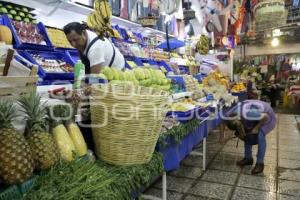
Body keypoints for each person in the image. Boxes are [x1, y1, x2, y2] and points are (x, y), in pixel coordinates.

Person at [226, 100, 276, 174]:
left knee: (260, 136)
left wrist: (256, 128)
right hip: (252, 114)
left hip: (267, 117)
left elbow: (265, 117)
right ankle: (248, 158)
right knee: (247, 133)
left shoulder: (251, 113)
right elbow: (226, 121)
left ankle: (260, 163)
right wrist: (223, 137)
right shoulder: (230, 114)